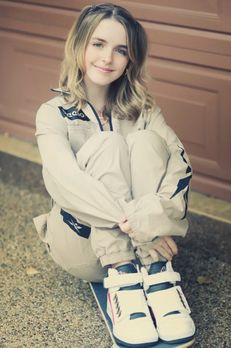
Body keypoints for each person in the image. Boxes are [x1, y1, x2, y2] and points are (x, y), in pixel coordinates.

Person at [34, 3, 196, 347]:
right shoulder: (53, 114)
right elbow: (63, 180)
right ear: (78, 45)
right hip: (81, 243)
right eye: (98, 44)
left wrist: (147, 220)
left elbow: (179, 167)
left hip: (142, 239)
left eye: (120, 50)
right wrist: (143, 228)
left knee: (148, 143)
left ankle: (158, 280)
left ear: (130, 60)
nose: (107, 58)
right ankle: (125, 276)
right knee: (108, 144)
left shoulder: (146, 110)